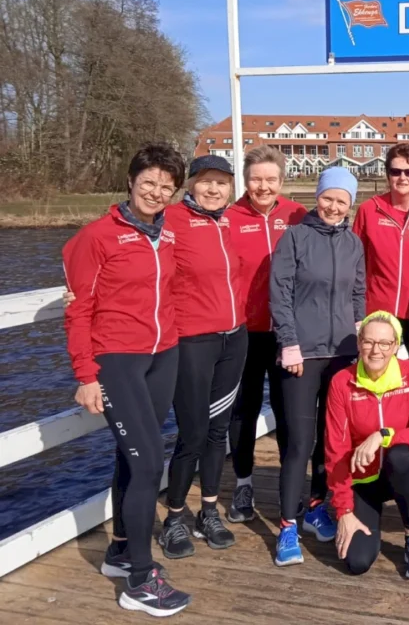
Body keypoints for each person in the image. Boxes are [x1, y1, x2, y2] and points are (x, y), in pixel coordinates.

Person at [62, 143, 193, 616]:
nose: (156, 192)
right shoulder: (97, 236)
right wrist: (85, 374)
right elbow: (78, 309)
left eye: (166, 186)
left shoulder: (169, 233)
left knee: (132, 455)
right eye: (149, 182)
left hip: (164, 353)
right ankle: (140, 579)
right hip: (117, 359)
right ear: (132, 180)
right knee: (148, 460)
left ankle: (119, 550)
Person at [270, 166, 366, 566]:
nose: (333, 206)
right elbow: (280, 292)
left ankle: (315, 505)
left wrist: (362, 336)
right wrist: (289, 342)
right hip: (302, 356)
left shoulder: (353, 244)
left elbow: (358, 292)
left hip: (342, 353)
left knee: (332, 441)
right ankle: (287, 525)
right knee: (298, 442)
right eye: (328, 197)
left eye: (341, 201)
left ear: (350, 205)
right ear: (318, 196)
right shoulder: (295, 238)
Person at [154, 156, 247, 559]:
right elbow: (117, 244)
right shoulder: (169, 219)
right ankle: (174, 518)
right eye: (206, 182)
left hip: (234, 339)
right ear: (190, 185)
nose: (214, 190)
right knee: (191, 433)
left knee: (217, 431)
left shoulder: (231, 221)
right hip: (192, 340)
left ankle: (208, 511)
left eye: (222, 183)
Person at [352, 144, 409, 488]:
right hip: (379, 317)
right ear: (386, 174)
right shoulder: (369, 210)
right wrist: (357, 313)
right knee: (378, 384)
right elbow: (355, 262)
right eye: (395, 171)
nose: (401, 178)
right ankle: (375, 446)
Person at [225, 145, 306, 524]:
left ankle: (291, 490)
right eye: (256, 179)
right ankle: (243, 483)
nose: (263, 186)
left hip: (288, 333)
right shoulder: (227, 218)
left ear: (281, 181)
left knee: (292, 413)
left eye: (270, 179)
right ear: (246, 180)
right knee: (244, 409)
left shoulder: (297, 215)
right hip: (245, 331)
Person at [324, 312, 409, 579]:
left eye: (385, 343)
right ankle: (365, 518)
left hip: (400, 470)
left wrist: (382, 435)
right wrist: (344, 511)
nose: (376, 350)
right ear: (360, 343)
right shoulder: (342, 382)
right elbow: (335, 451)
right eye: (369, 342)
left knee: (401, 457)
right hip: (363, 481)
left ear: (395, 346)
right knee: (357, 562)